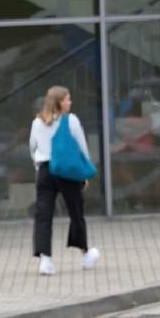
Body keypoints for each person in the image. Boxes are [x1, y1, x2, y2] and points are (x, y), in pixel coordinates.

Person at [29, 85, 101, 276]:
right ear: (59, 102)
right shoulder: (71, 120)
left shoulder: (37, 122)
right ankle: (85, 254)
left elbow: (33, 147)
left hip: (45, 170)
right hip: (67, 170)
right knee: (76, 212)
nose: (70, 102)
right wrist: (83, 173)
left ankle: (45, 259)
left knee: (43, 215)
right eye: (67, 98)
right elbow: (81, 147)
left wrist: (39, 168)